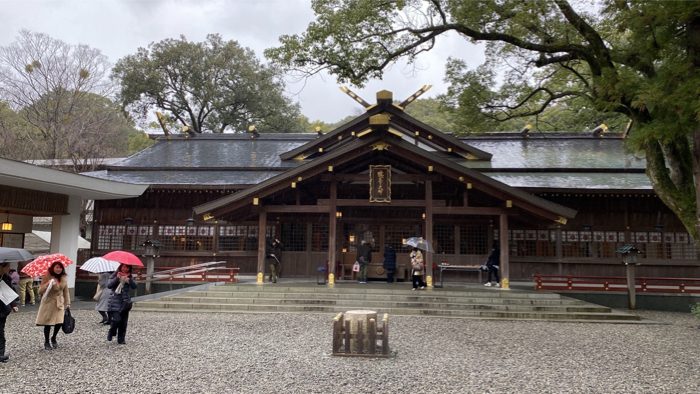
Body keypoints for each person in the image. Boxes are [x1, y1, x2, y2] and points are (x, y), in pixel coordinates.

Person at [35, 261, 71, 350]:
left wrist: (68, 302)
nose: (59, 269)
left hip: (59, 303)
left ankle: (54, 337)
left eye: (60, 267)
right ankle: (46, 341)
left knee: (59, 322)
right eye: (57, 267)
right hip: (49, 302)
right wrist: (48, 284)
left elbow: (65, 291)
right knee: (48, 323)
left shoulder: (63, 277)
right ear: (53, 268)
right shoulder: (47, 276)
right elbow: (40, 291)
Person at [107, 264, 137, 344]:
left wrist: (129, 280)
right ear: (120, 267)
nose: (125, 269)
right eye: (124, 267)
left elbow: (134, 286)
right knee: (116, 320)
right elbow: (109, 285)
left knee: (123, 322)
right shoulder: (114, 275)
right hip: (115, 301)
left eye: (127, 267)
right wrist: (117, 278)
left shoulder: (130, 277)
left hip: (125, 302)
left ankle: (121, 339)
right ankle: (112, 331)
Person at [0, 262, 20, 362]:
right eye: (7, 266)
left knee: (1, 331)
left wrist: (13, 305)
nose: (9, 268)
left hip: (3, 309)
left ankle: (1, 354)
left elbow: (9, 292)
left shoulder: (6, 278)